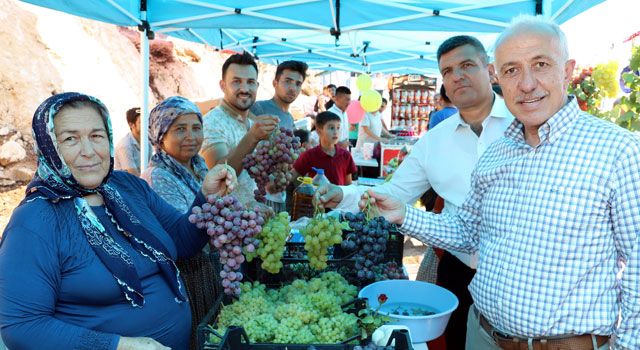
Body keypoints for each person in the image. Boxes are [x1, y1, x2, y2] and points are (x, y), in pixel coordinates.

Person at [363, 15, 636, 350]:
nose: (526, 83)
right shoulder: (496, 154)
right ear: (498, 78)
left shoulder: (618, 151)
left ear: (566, 71)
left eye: (540, 64)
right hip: (482, 336)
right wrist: (402, 214)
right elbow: (467, 232)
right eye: (511, 70)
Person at [315, 35, 514, 349]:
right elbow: (394, 192)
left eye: (467, 65)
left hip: (523, 274)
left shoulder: (525, 121)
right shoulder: (435, 141)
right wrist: (343, 195)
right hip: (461, 270)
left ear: (490, 71)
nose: (457, 76)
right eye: (447, 71)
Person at [0, 92, 236, 350]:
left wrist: (206, 197)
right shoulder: (35, 220)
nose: (89, 152)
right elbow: (21, 326)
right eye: (70, 139)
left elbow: (182, 242)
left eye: (96, 136)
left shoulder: (128, 187)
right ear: (48, 147)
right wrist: (116, 345)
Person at [141, 96, 216, 349]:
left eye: (196, 128)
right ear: (160, 136)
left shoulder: (199, 165)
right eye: (180, 129)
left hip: (208, 268)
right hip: (186, 275)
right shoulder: (158, 176)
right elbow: (184, 233)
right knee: (198, 336)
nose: (191, 136)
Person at [200, 51, 279, 208]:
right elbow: (219, 175)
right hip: (224, 226)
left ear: (257, 86)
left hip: (251, 222)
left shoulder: (251, 123)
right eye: (236, 81)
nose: (244, 89)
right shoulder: (212, 122)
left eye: (250, 82)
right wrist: (252, 138)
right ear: (223, 86)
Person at [250, 60, 308, 212]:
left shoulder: (289, 118)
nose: (293, 88)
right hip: (257, 195)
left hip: (278, 194)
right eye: (287, 81)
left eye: (298, 83)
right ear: (275, 83)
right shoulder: (258, 108)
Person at [293, 111, 356, 186]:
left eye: (338, 127)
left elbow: (348, 185)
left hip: (340, 197)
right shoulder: (309, 155)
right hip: (316, 197)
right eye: (331, 128)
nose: (336, 132)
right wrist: (305, 189)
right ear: (319, 131)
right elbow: (294, 177)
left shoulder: (346, 155)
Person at [114, 107, 152, 176]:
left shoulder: (147, 142)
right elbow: (133, 175)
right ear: (131, 125)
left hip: (141, 182)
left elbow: (150, 168)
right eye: (142, 122)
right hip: (126, 184)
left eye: (147, 121)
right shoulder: (125, 145)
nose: (147, 125)